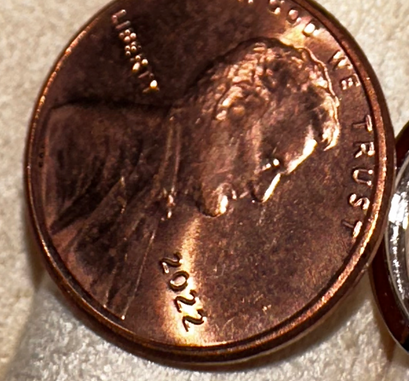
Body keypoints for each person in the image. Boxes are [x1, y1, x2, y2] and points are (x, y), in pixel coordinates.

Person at [41, 37, 341, 319]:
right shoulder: (72, 140)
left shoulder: (156, 213)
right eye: (269, 160)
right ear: (233, 106)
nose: (262, 192)